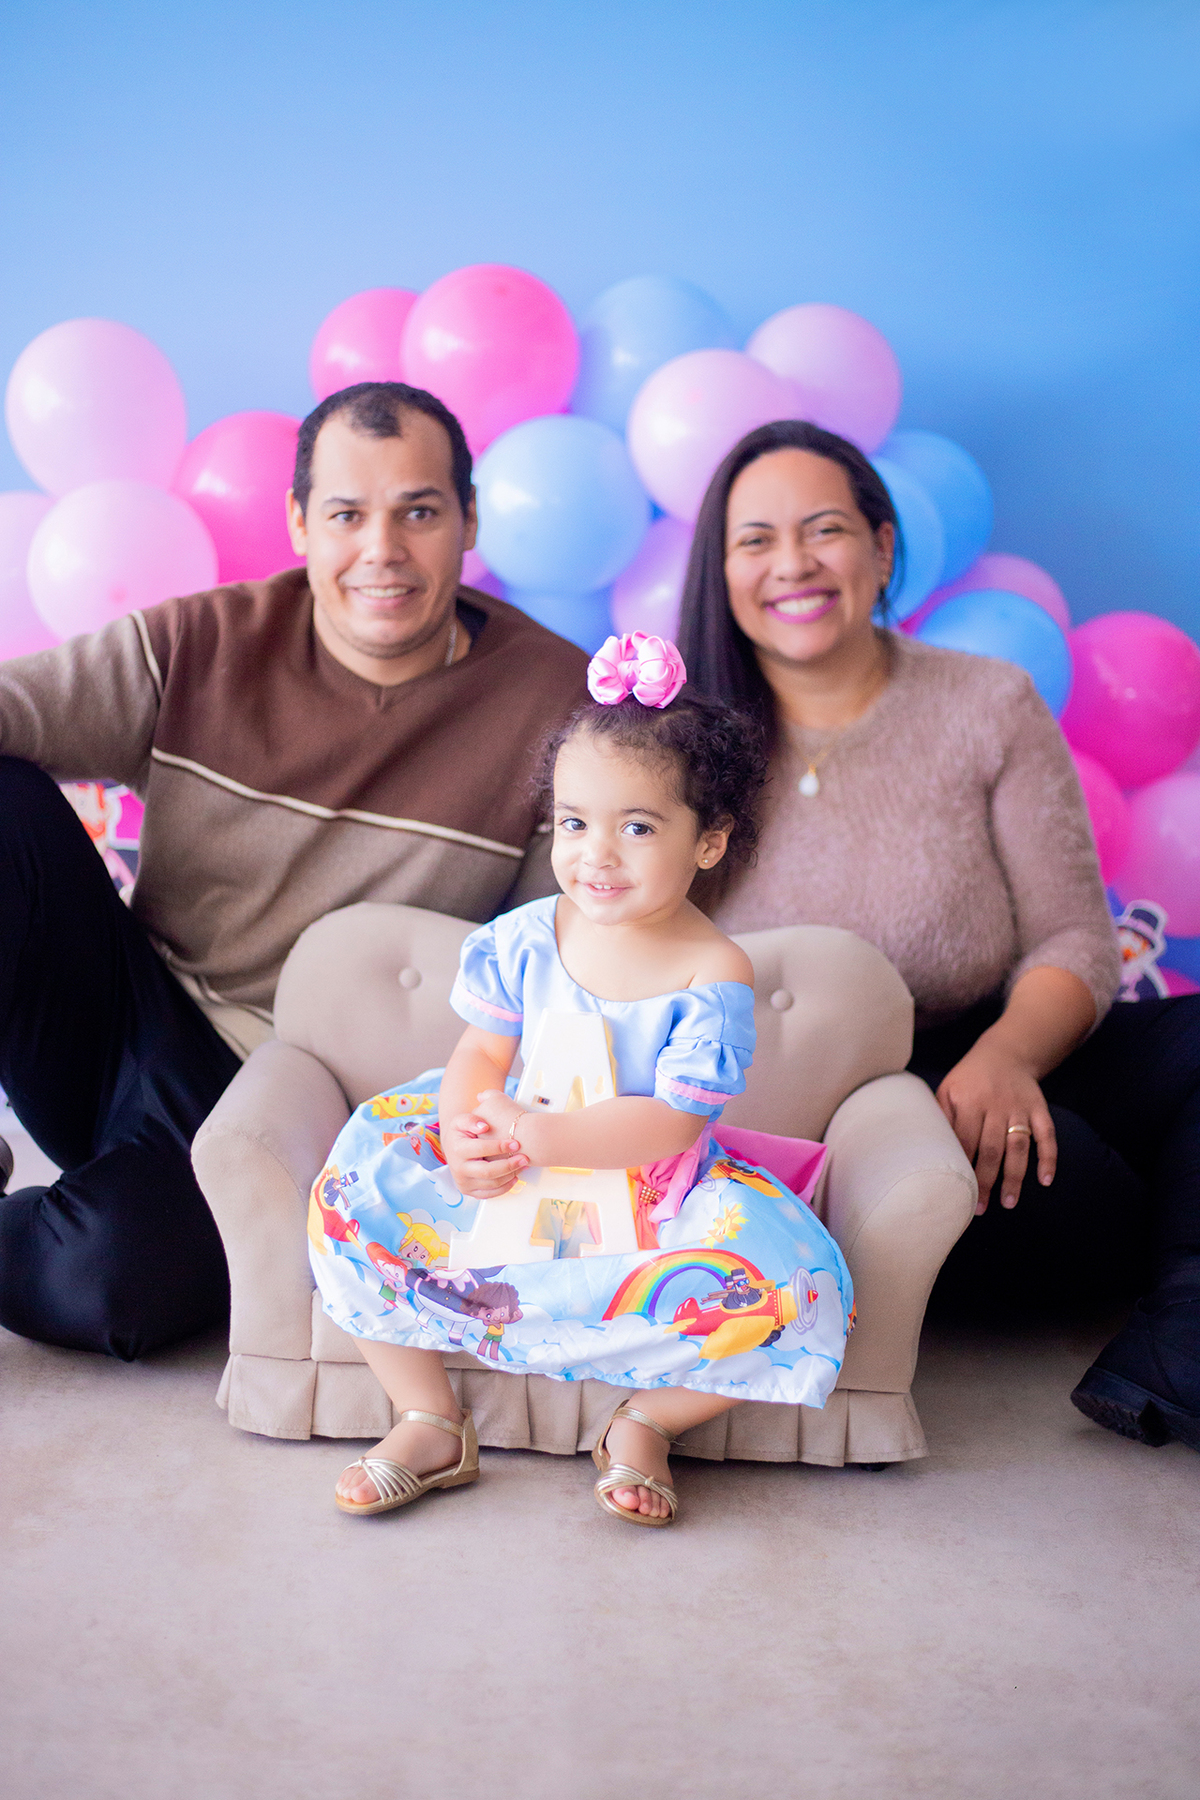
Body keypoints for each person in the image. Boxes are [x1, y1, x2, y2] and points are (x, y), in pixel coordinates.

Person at [0, 381, 589, 1362]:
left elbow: (547, 972)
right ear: (299, 524)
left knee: (104, 1283)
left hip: (301, 1090)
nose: (382, 550)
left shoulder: (555, 705)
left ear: (470, 520)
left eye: (420, 512)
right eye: (349, 515)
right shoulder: (206, 639)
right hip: (124, 1016)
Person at [678, 418, 1200, 1457]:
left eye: (824, 530)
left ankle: (1180, 1341)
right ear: (720, 567)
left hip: (996, 1048)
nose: (792, 564)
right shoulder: (677, 744)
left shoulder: (987, 702)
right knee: (1091, 1193)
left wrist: (1008, 1056)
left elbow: (1072, 936)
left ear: (880, 546)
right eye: (755, 540)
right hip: (816, 1115)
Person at [307, 634, 853, 1526]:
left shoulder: (712, 974)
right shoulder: (526, 937)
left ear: (709, 841)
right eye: (573, 822)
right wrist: (464, 1132)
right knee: (353, 1194)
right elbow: (480, 1054)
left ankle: (642, 1423)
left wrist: (549, 1138)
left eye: (637, 827)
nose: (596, 854)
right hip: (514, 1145)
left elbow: (672, 1123)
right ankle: (428, 1417)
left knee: (792, 1290)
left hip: (636, 1177)